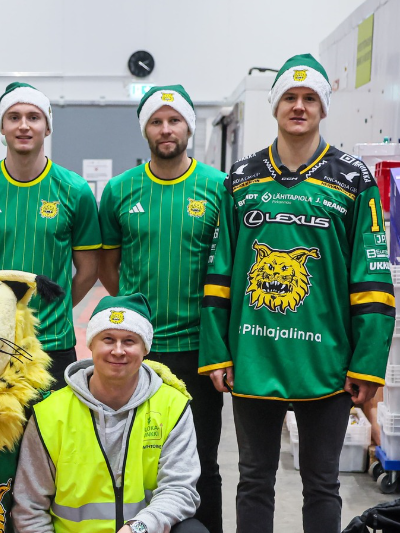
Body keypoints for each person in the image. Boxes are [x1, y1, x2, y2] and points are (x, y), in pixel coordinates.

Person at [199, 53, 395, 533]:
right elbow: (219, 272)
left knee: (322, 484)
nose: (299, 106)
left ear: (324, 107)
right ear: (275, 105)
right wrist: (218, 352)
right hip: (254, 357)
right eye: (290, 96)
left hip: (327, 362)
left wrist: (367, 363)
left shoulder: (354, 178)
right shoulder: (240, 178)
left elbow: (372, 276)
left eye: (310, 98)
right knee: (253, 480)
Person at [98, 84, 226, 533]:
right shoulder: (120, 190)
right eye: (156, 121)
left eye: (174, 120)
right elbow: (109, 265)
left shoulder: (218, 187)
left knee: (202, 461)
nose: (166, 129)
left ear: (189, 127)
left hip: (198, 348)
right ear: (145, 129)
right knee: (133, 458)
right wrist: (137, 318)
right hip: (138, 350)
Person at [13, 293, 207, 533]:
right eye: (108, 339)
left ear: (145, 348)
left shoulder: (171, 406)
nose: (118, 350)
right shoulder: (50, 413)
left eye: (129, 341)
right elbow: (30, 508)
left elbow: (180, 490)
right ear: (91, 344)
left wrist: (137, 528)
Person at [0, 82, 101, 387]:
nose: (24, 125)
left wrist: (57, 306)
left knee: (52, 420)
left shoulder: (75, 190)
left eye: (33, 117)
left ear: (47, 127)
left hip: (53, 342)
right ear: (2, 127)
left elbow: (89, 270)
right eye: (14, 117)